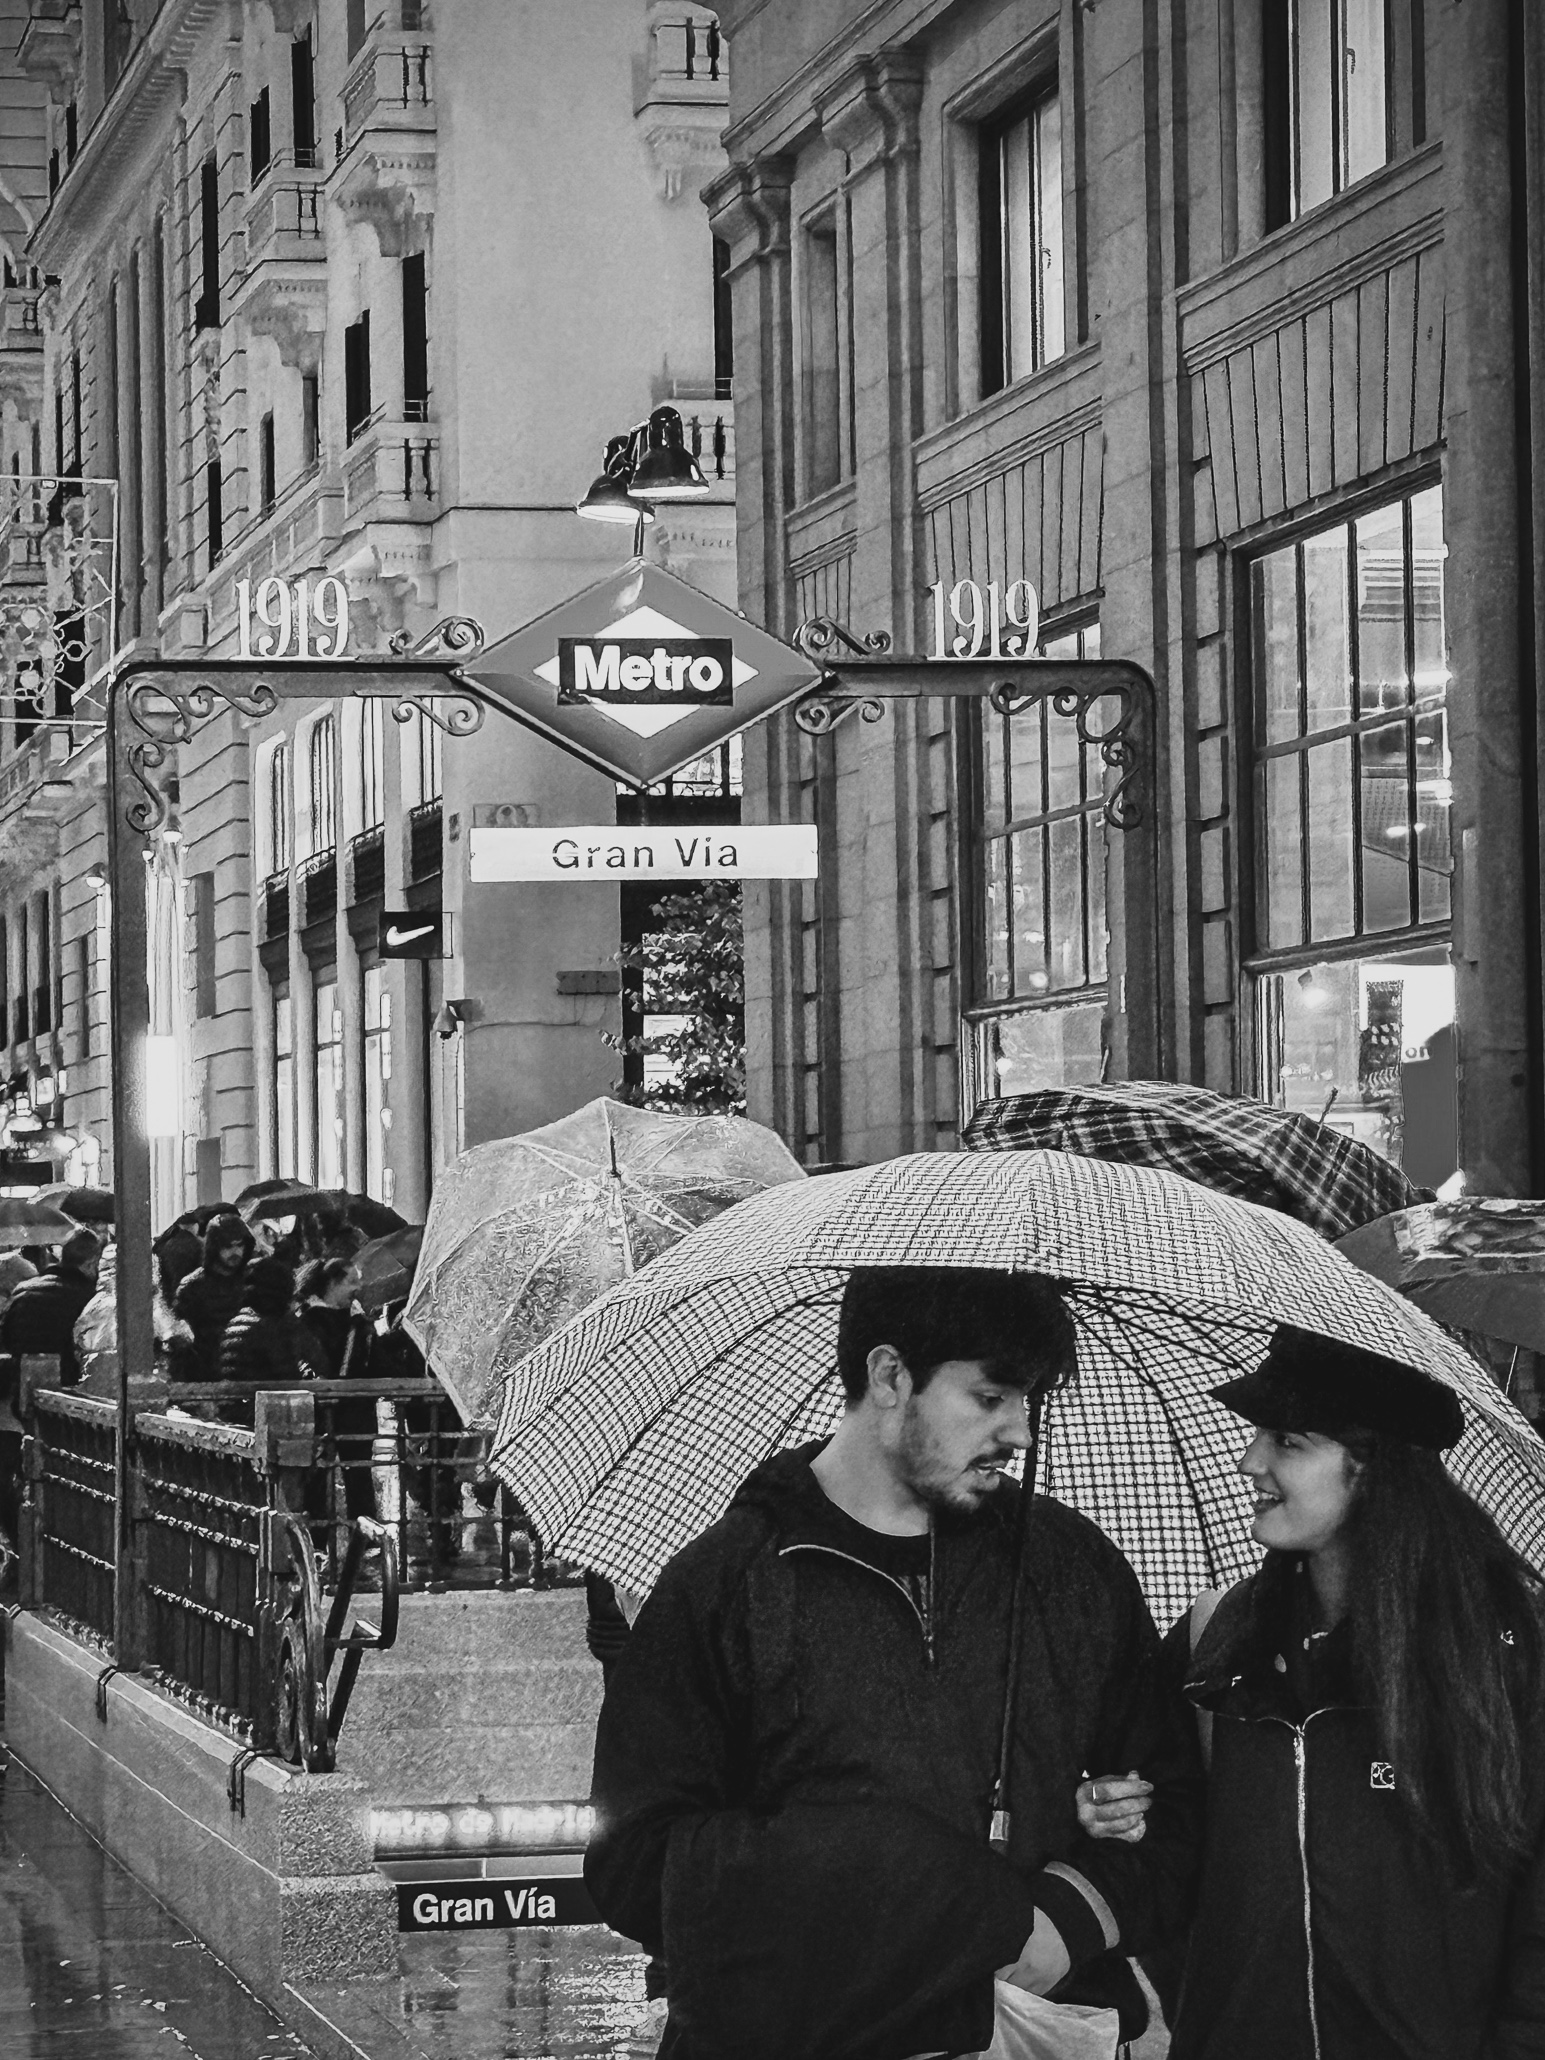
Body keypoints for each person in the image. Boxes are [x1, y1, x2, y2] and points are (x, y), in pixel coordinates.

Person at [585, 1266, 1204, 2060]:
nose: (1018, 1432)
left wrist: (1065, 1918)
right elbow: (634, 1864)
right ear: (889, 1375)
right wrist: (898, 1891)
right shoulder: (726, 1583)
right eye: (990, 1398)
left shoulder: (1069, 1567)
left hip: (1036, 2031)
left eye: (1029, 1400)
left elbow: (1175, 1816)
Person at [1076, 1323, 1545, 2060]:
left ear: (1372, 1469)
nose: (1248, 1461)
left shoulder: (1505, 1654)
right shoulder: (1216, 1639)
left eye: (1288, 1441)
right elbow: (1168, 1853)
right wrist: (1116, 1815)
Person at [296, 1256, 377, 1520]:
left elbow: (373, 1364)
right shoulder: (309, 1321)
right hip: (324, 1413)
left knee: (360, 1481)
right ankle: (317, 1541)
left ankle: (363, 1538)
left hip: (357, 1414)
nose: (357, 1288)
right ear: (332, 1283)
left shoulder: (357, 1321)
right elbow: (328, 1365)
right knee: (317, 1480)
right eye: (351, 1281)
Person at [0, 1229, 101, 1387]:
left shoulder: (23, 1290)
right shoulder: (88, 1299)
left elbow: (7, 1338)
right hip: (67, 1390)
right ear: (91, 1263)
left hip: (22, 1388)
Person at [217, 1257, 328, 1394]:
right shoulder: (275, 1326)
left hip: (240, 1407)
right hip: (271, 1407)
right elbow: (289, 1375)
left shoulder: (236, 1322)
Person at [171, 1214, 254, 1379]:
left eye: (239, 1245)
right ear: (215, 1247)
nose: (235, 1252)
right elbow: (182, 1337)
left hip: (248, 1372)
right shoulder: (192, 1287)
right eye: (228, 1246)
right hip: (207, 1374)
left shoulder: (253, 1281)